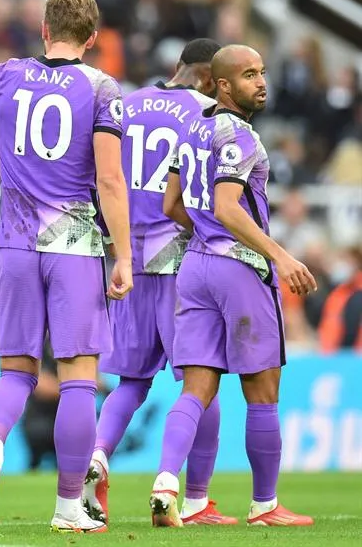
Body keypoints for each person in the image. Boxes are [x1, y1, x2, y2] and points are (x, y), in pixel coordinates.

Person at [0, 0, 133, 534]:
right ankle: (68, 505)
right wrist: (125, 254)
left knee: (16, 372)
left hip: (14, 246)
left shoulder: (9, 73)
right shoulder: (102, 88)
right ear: (92, 39)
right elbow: (111, 179)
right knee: (79, 380)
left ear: (44, 30)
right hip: (74, 248)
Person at [153, 44, 317, 527]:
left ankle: (168, 484)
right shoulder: (241, 136)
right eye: (249, 75)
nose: (261, 82)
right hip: (240, 269)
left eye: (262, 72)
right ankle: (265, 505)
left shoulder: (191, 129)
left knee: (196, 391)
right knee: (262, 392)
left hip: (195, 268)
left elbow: (170, 206)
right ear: (222, 84)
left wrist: (205, 234)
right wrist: (280, 256)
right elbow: (227, 207)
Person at [84, 39, 238, 526]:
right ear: (211, 77)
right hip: (182, 262)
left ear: (176, 67)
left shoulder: (124, 104)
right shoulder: (206, 113)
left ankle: (98, 456)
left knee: (131, 381)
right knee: (201, 381)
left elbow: (99, 176)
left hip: (129, 258)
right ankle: (191, 499)